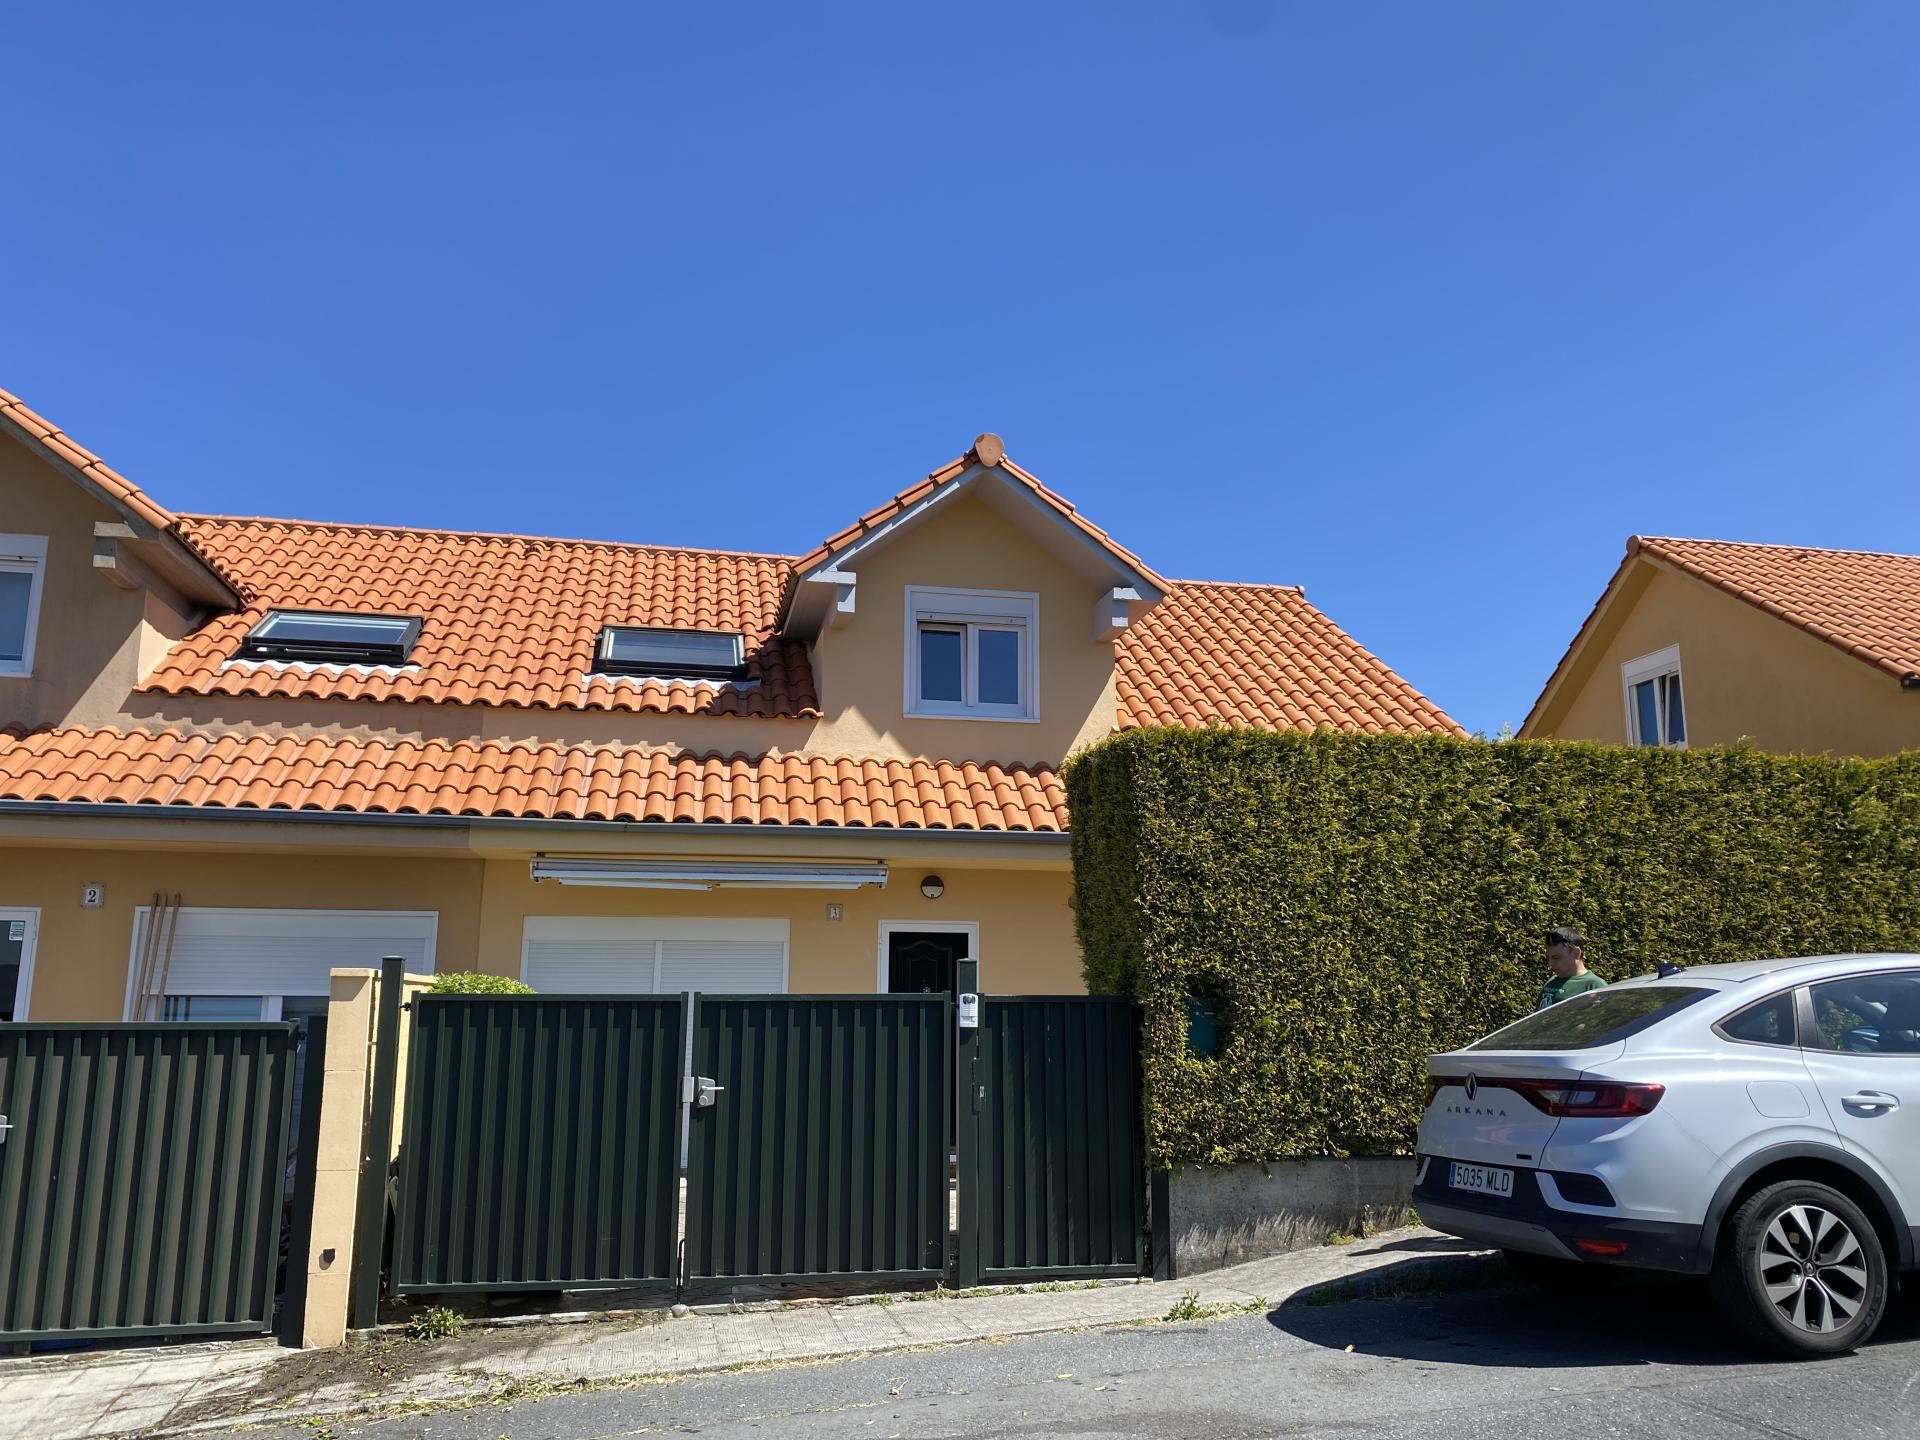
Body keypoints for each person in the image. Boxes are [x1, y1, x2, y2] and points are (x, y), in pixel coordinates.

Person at [1536, 926, 1606, 1010]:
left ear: (1576, 953)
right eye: (1549, 958)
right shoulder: (1552, 981)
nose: (1550, 963)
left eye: (1556, 958)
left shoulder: (1594, 985)